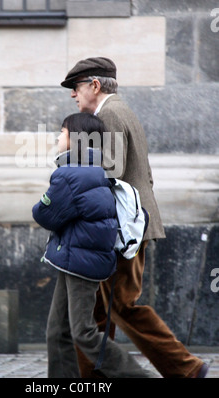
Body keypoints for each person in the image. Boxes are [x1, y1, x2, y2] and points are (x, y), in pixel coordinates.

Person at [60, 57, 208, 379]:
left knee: (122, 306)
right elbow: (141, 172)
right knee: (99, 311)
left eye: (76, 87)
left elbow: (111, 169)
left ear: (94, 86)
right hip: (127, 225)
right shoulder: (119, 110)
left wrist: (70, 161)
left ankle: (186, 369)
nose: (73, 95)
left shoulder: (110, 113)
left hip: (124, 229)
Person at [32, 112, 156, 378]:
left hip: (80, 262)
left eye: (62, 132)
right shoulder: (92, 171)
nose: (57, 136)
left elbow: (45, 214)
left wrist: (43, 202)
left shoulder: (70, 175)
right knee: (58, 331)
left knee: (83, 332)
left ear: (75, 139)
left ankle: (137, 376)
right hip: (74, 258)